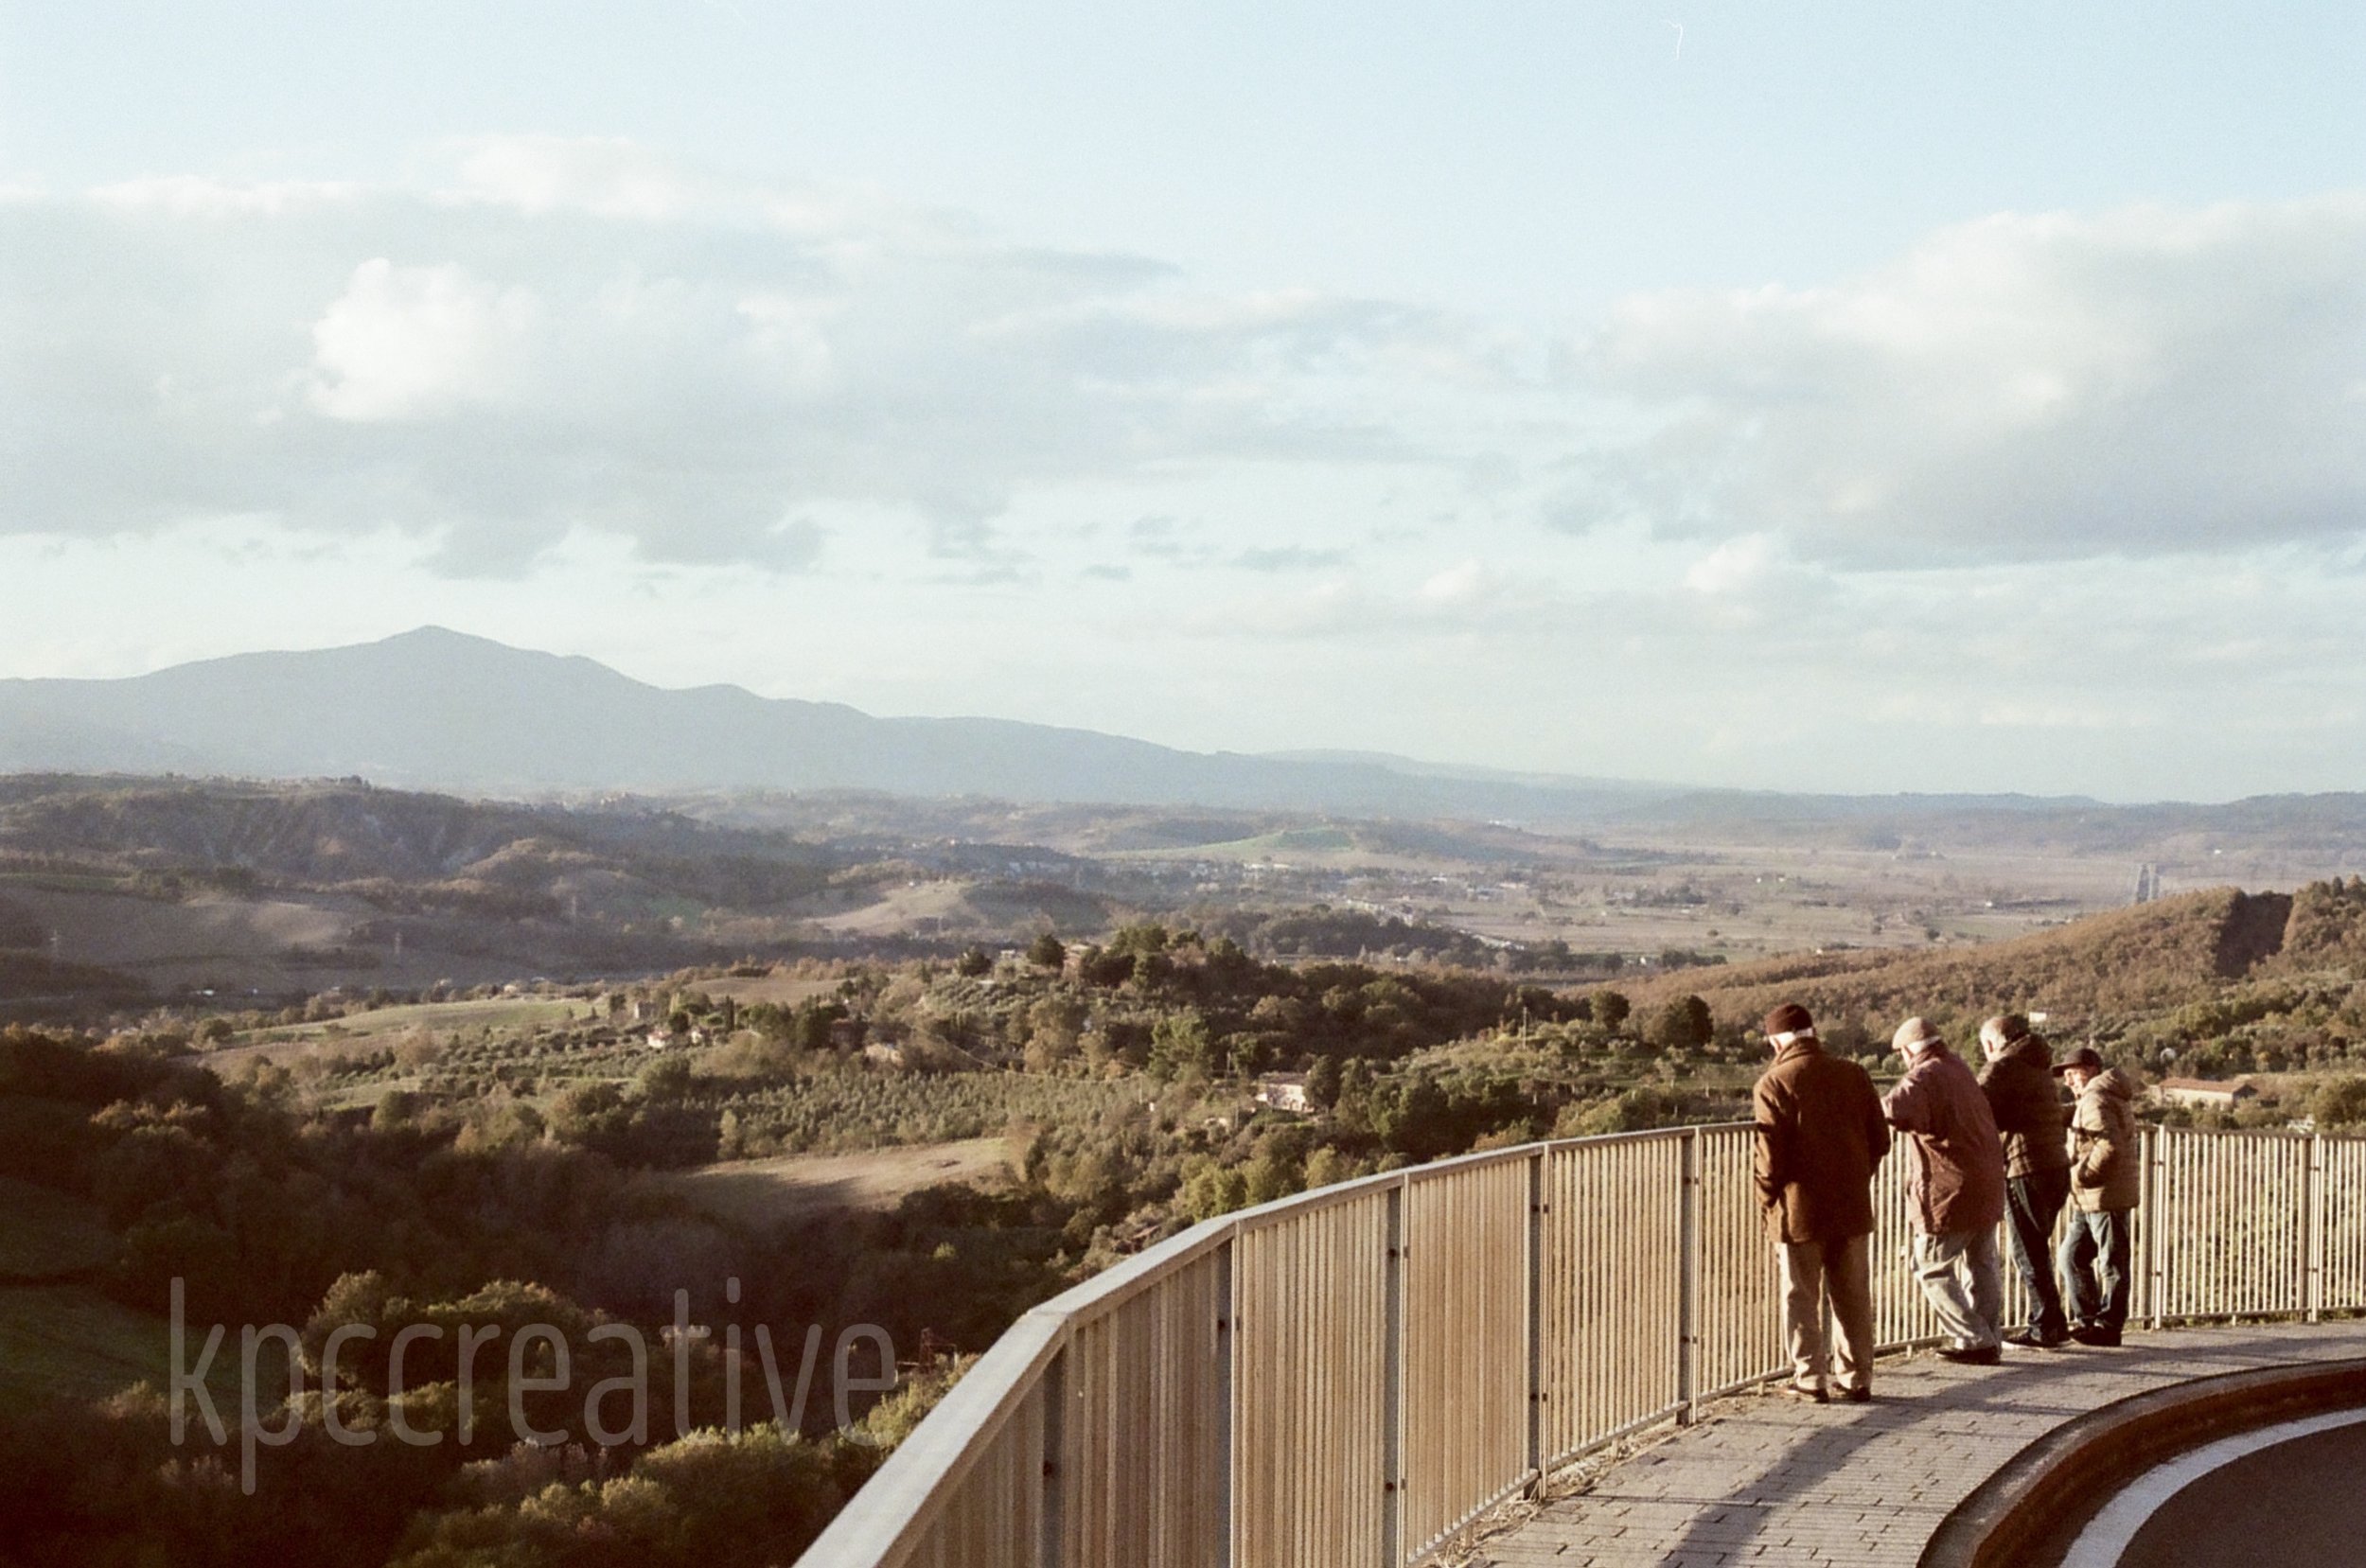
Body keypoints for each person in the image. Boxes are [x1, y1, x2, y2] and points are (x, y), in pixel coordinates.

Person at [1752, 1001, 1890, 1403]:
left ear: (1776, 1041)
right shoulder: (1855, 1074)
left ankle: (1810, 1377)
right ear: (1813, 1034)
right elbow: (1881, 1140)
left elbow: (1769, 1158)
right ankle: (1857, 1378)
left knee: (1800, 1295)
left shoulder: (1774, 1083)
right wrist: (1855, 1177)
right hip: (1851, 1207)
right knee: (1852, 1295)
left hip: (1799, 1210)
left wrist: (1766, 1200)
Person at [1881, 1017, 2008, 1365]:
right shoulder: (1959, 1068)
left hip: (1951, 1187)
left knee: (1930, 1266)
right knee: (1981, 1263)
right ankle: (1989, 1338)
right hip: (1987, 1182)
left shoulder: (1924, 1076)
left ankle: (1974, 1338)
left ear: (1909, 1051)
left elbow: (1891, 1110)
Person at [1978, 1013, 2072, 1348]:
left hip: (2025, 1166)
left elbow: (1975, 1108)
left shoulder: (2003, 1068)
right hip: (2056, 1165)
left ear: (1992, 1043)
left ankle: (2046, 1325)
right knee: (2037, 1248)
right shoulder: (2038, 1066)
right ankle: (2052, 1322)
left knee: (2027, 1250)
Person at [2055, 1045, 2140, 1347]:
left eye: (2072, 1073)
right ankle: (2091, 1322)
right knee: (2072, 1256)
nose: (2068, 1081)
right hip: (2094, 1196)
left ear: (2090, 1071)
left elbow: (2108, 1146)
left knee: (2110, 1262)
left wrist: (2077, 1175)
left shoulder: (2095, 1099)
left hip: (2103, 1194)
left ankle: (2107, 1326)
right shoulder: (2100, 1097)